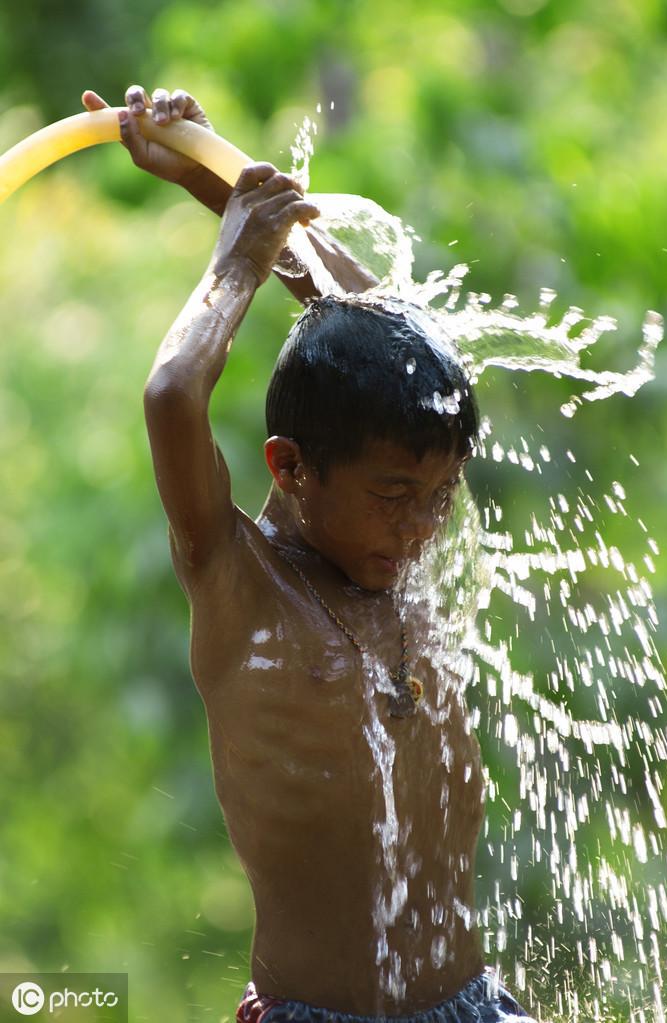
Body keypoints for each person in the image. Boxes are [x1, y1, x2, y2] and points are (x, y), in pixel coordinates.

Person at [81, 86, 536, 1023]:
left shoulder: (396, 561)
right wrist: (239, 253)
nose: (422, 529)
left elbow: (396, 337)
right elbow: (172, 394)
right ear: (288, 468)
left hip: (474, 1005)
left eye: (441, 496)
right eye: (394, 498)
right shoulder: (238, 577)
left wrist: (229, 187)